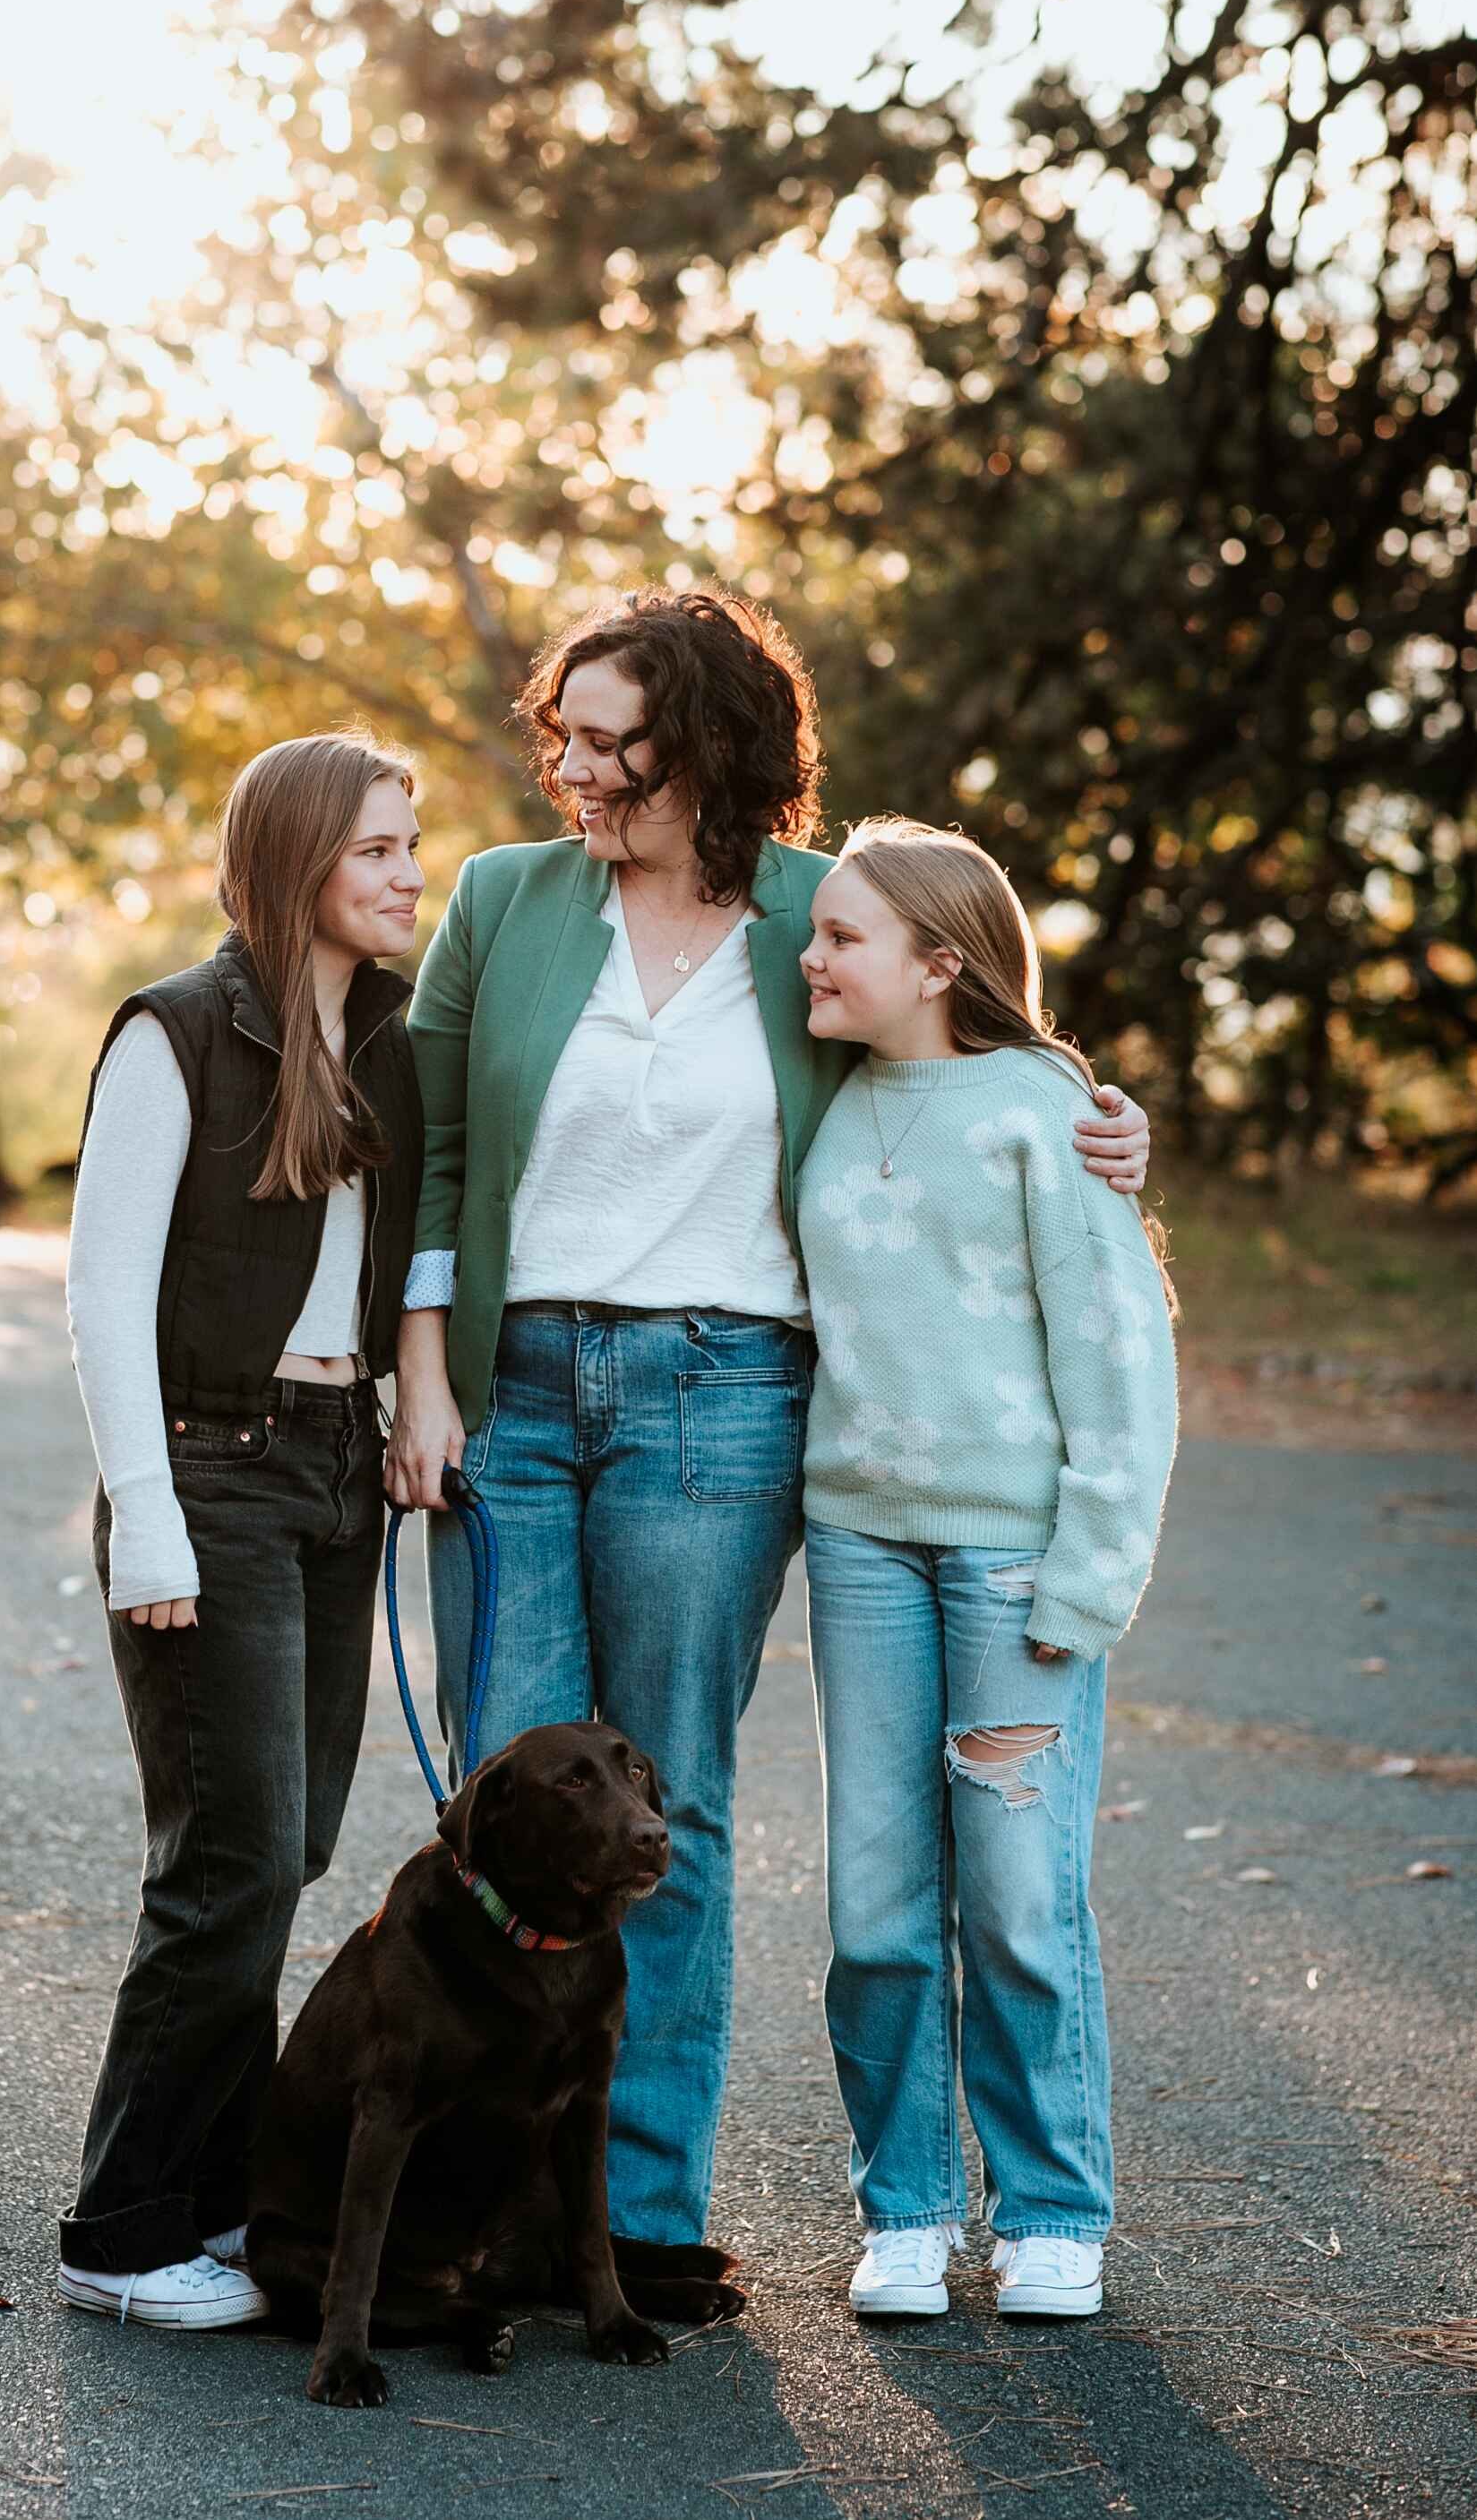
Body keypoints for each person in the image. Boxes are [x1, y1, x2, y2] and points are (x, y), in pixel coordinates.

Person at [385, 590, 1152, 2256]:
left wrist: (1104, 1123)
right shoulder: (503, 902)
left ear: (709, 744)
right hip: (505, 1398)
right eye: (563, 735)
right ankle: (484, 2213)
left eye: (611, 740)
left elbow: (972, 1040)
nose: (570, 768)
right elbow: (427, 1153)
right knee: (497, 1806)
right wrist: (422, 1373)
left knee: (671, 1813)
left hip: (721, 1401)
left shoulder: (819, 911)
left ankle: (638, 2215)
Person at [56, 732, 425, 2330]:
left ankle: (211, 2203)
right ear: (295, 869)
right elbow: (100, 1290)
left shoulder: (386, 1040)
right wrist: (145, 1512)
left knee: (289, 1852)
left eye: (412, 848)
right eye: (376, 854)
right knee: (227, 1868)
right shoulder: (178, 1035)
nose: (409, 877)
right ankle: (120, 2229)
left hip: (340, 1468)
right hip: (210, 1473)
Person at [795, 817, 1181, 2324]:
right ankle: (903, 2206)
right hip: (861, 1550)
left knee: (1019, 1897)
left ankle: (1048, 2207)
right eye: (815, 932)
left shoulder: (1045, 1112)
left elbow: (1119, 1355)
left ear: (939, 961)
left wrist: (1090, 1577)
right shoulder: (822, 1086)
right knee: (876, 1901)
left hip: (1013, 1563)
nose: (811, 956)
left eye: (842, 939)